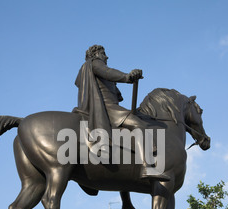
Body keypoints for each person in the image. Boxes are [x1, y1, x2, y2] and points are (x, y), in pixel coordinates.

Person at [73, 44, 170, 182]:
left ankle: (126, 200)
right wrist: (128, 76)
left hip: (111, 107)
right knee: (139, 126)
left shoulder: (91, 69)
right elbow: (109, 72)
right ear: (95, 55)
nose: (106, 56)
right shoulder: (95, 63)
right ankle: (147, 166)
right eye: (103, 53)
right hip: (108, 109)